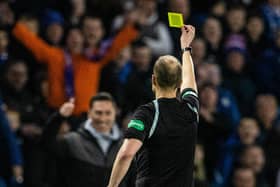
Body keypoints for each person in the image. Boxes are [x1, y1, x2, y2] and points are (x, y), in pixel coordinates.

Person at [108, 25, 199, 187]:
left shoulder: (147, 113)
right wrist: (186, 47)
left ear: (153, 80)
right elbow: (189, 80)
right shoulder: (191, 109)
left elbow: (126, 153)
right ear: (179, 84)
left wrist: (112, 185)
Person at [41, 93, 133, 187]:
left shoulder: (126, 145)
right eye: (98, 113)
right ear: (89, 113)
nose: (102, 118)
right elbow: (46, 144)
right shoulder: (73, 141)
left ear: (115, 113)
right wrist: (59, 117)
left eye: (108, 113)